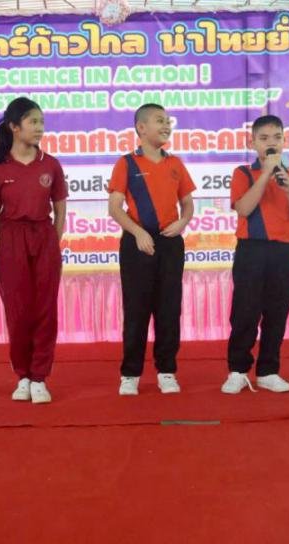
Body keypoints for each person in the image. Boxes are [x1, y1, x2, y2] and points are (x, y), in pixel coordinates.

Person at [0, 97, 68, 404]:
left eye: (41, 122)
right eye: (33, 122)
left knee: (45, 309)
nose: (39, 128)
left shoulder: (51, 164)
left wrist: (52, 239)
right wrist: (10, 237)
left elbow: (60, 206)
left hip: (44, 237)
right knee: (18, 310)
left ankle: (39, 377)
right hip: (12, 239)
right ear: (14, 127)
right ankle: (22, 376)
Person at [107, 103, 195, 396]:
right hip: (137, 244)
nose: (166, 125)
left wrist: (182, 222)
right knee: (136, 310)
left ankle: (166, 371)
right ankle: (130, 374)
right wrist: (138, 232)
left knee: (169, 309)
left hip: (170, 243)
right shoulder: (126, 164)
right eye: (160, 120)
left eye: (168, 121)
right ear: (141, 128)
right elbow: (114, 208)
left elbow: (188, 203)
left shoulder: (175, 164)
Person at [221, 115, 289, 395]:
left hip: (283, 252)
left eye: (276, 138)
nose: (271, 143)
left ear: (284, 141)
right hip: (251, 250)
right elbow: (243, 208)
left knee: (277, 312)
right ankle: (238, 371)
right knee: (245, 312)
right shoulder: (243, 173)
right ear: (253, 143)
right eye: (263, 139)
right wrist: (265, 176)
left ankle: (268, 371)